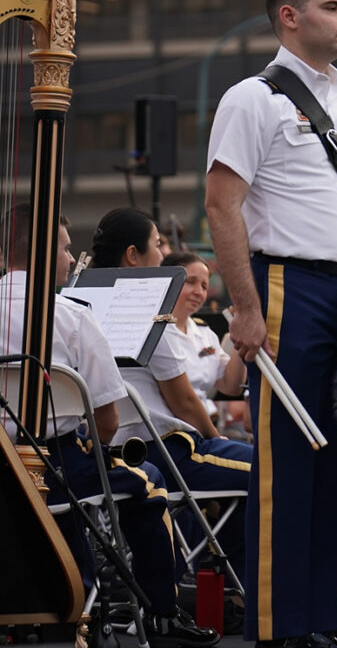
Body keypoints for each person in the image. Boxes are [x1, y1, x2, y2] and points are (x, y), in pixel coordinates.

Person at [206, 0, 337, 648]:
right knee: (287, 466)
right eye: (333, 6)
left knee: (331, 470)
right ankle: (279, 625)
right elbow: (222, 204)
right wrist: (246, 305)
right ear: (291, 16)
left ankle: (321, 620)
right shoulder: (251, 99)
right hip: (287, 287)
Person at [0, 204, 218, 648]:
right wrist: (92, 449)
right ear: (43, 252)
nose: (69, 258)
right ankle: (161, 614)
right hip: (58, 467)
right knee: (151, 484)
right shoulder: (74, 316)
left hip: (3, 466)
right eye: (63, 249)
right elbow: (107, 417)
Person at [94, 209, 253, 585]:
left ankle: (223, 581)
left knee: (246, 474)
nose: (164, 256)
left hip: (119, 450)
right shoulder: (152, 316)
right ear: (134, 255)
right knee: (276, 468)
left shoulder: (90, 307)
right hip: (169, 450)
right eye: (158, 245)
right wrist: (218, 440)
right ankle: (237, 582)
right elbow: (183, 402)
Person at [160, 251, 248, 430]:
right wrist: (215, 437)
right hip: (177, 432)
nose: (198, 292)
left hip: (206, 428)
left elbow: (231, 386)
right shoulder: (156, 331)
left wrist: (241, 339)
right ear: (169, 281)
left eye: (204, 286)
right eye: (190, 282)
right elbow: (183, 404)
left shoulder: (204, 333)